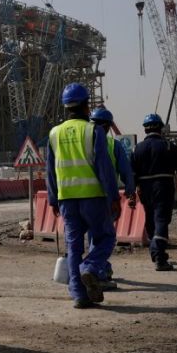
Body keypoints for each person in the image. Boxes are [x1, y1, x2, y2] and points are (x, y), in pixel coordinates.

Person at [46, 84, 122, 309]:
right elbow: (104, 168)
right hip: (93, 197)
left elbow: (50, 170)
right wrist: (113, 197)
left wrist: (52, 199)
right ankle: (90, 268)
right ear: (86, 105)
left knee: (74, 246)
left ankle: (79, 295)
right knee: (105, 238)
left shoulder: (53, 133)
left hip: (66, 199)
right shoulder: (93, 131)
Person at [131, 114, 177, 271]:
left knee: (151, 219)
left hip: (144, 189)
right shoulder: (168, 146)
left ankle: (156, 250)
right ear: (161, 128)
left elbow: (131, 174)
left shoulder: (136, 148)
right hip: (163, 187)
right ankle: (159, 255)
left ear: (145, 129)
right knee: (161, 219)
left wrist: (132, 192)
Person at [88, 107, 136, 290]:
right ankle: (96, 271)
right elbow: (126, 172)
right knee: (103, 237)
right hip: (105, 198)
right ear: (108, 127)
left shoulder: (82, 142)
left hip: (80, 198)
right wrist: (130, 191)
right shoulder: (113, 145)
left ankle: (101, 268)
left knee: (92, 236)